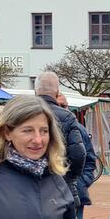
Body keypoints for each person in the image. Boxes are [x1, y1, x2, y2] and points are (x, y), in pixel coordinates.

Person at [35, 71, 86, 205]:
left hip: (30, 186)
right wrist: (70, 177)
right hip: (62, 185)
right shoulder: (67, 116)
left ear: (35, 91)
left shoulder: (24, 113)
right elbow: (78, 154)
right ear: (57, 92)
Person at [68, 104, 99, 219]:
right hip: (48, 192)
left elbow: (90, 159)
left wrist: (82, 182)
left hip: (75, 191)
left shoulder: (77, 128)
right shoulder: (43, 127)